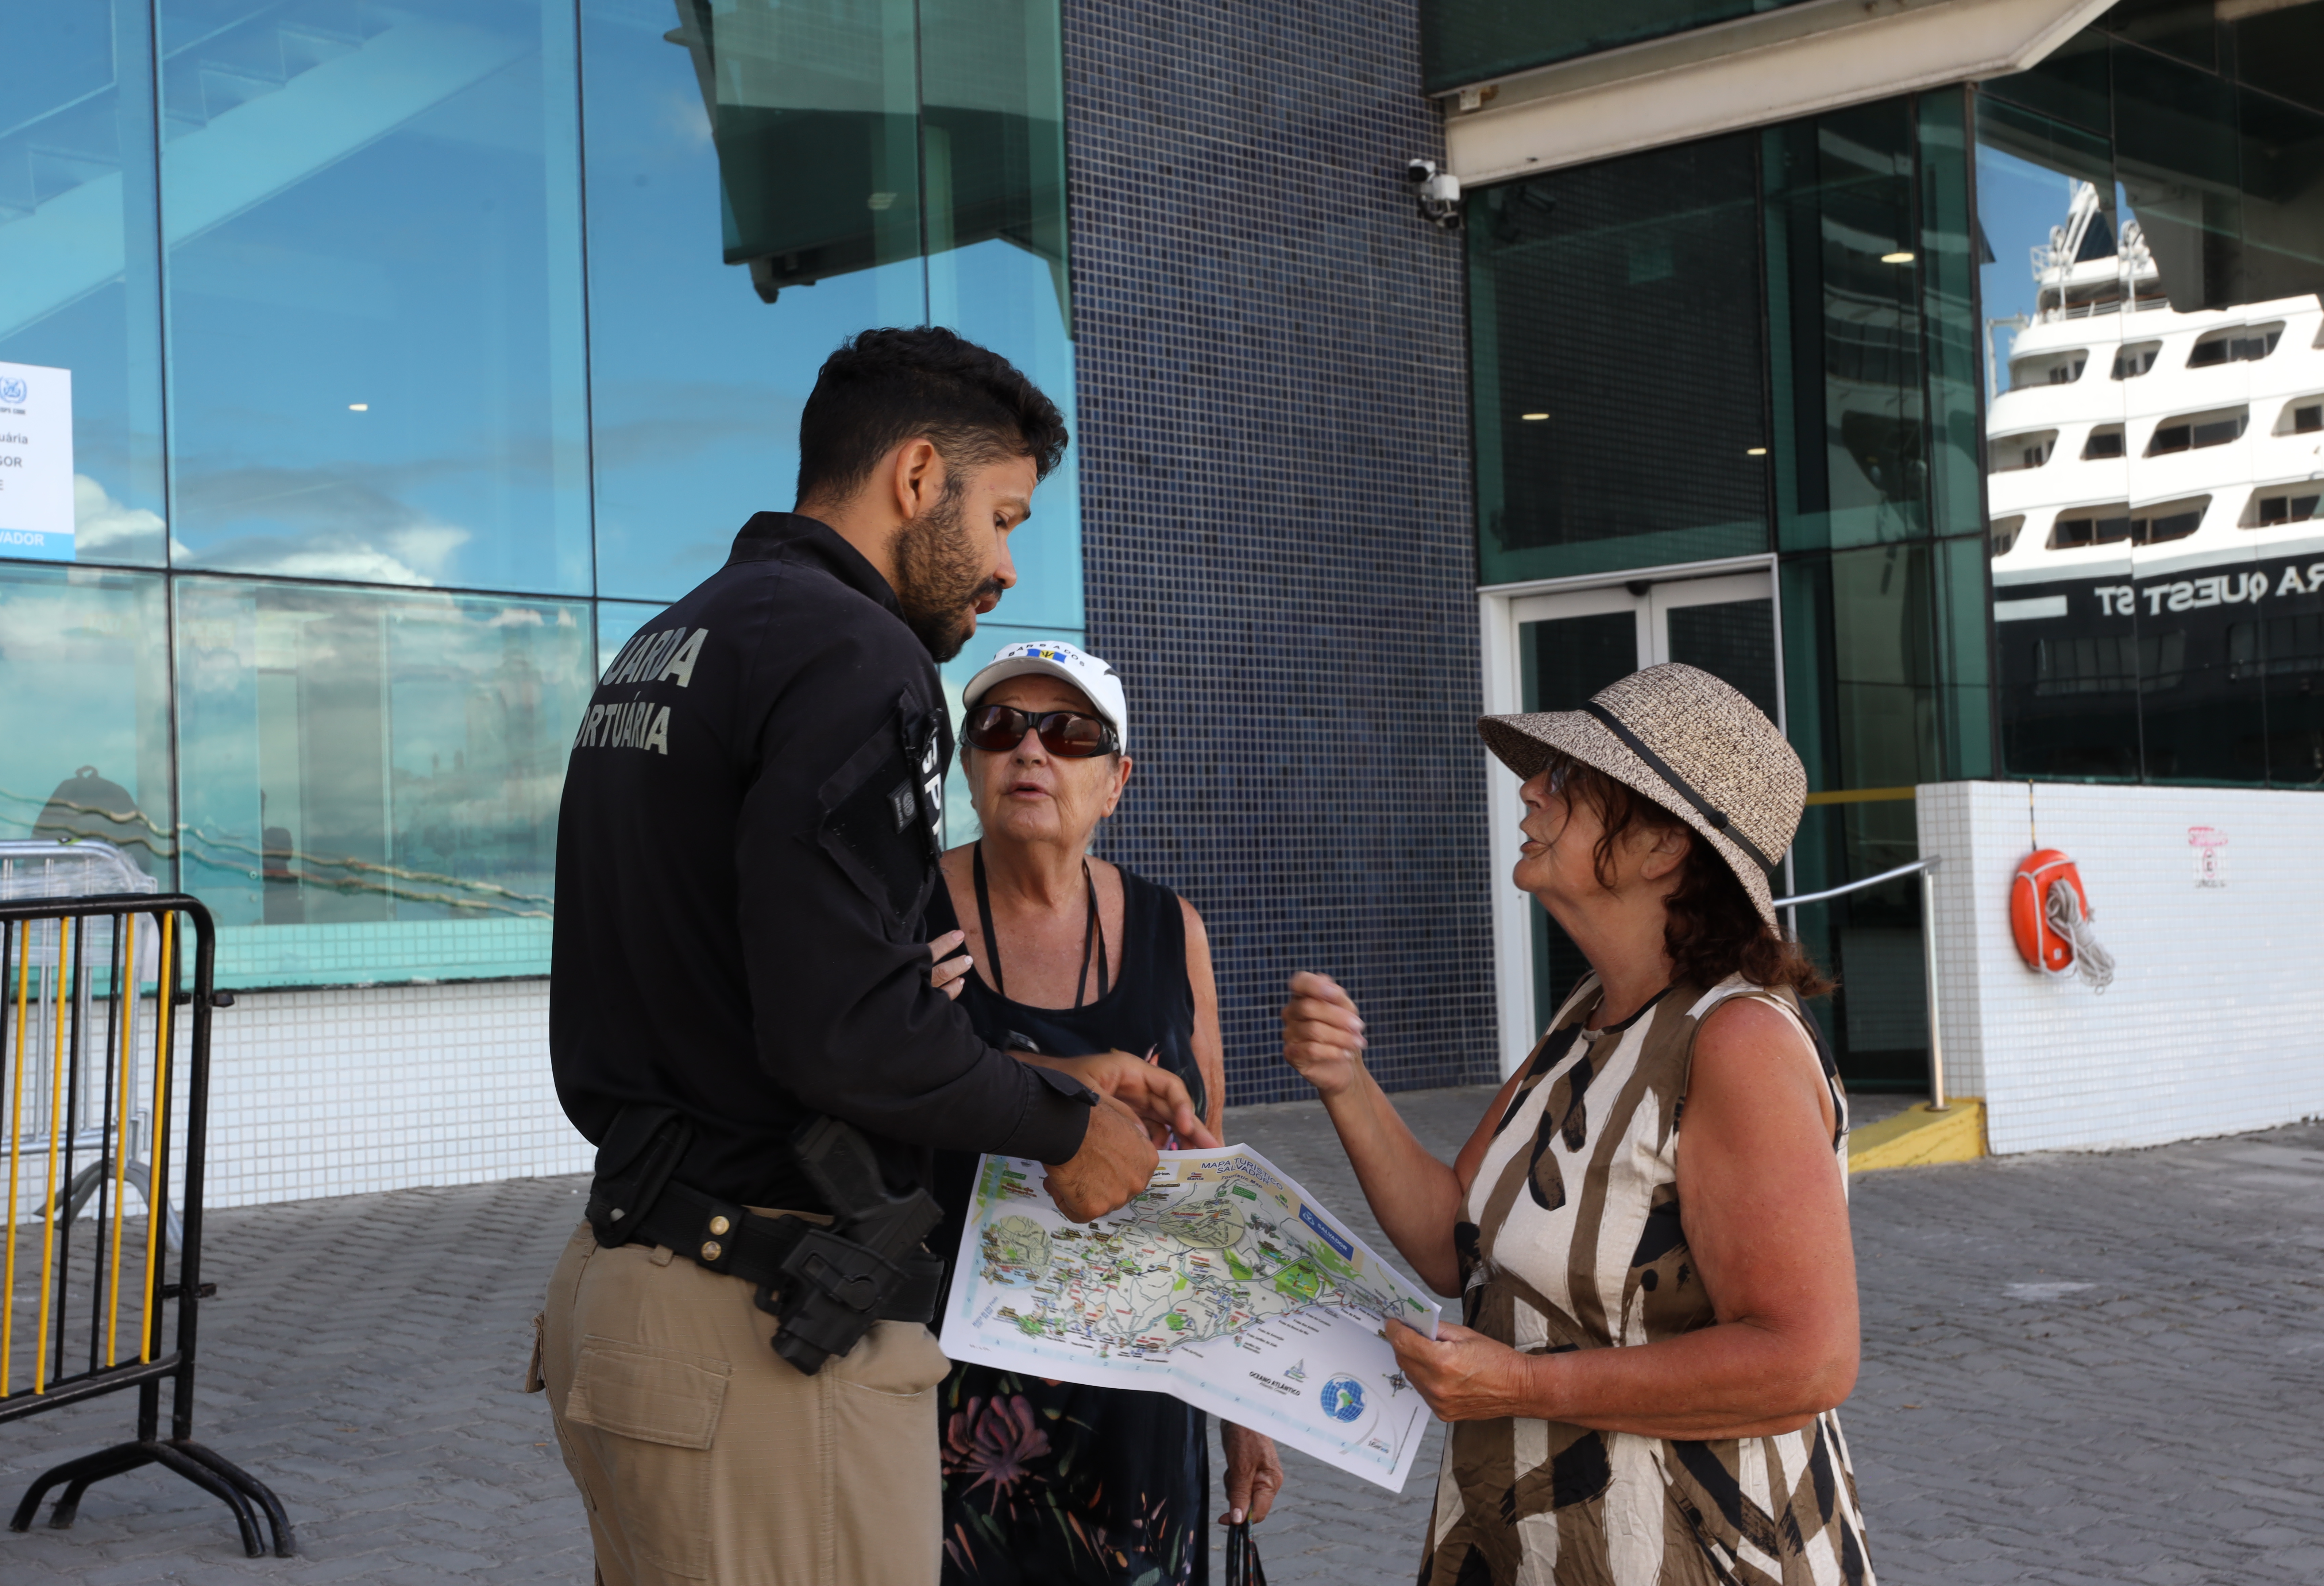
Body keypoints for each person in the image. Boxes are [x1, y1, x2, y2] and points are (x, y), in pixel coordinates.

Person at [538, 328, 1208, 1586]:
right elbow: (844, 1036)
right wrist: (1068, 1124)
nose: (1007, 565)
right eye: (1004, 516)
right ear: (915, 480)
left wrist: (1055, 1063)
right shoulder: (855, 655)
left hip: (631, 1287)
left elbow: (774, 991)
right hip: (755, 1327)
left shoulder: (672, 644)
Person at [1281, 663, 1874, 1585]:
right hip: (1529, 1540)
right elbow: (1454, 1240)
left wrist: (1520, 1384)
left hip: (1682, 1553)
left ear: (1659, 846)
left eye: (1566, 779)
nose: (1529, 788)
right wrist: (1345, 1081)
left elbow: (1807, 1359)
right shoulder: (1592, 1012)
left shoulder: (1737, 1042)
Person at [924, 639, 1284, 1585]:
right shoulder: (900, 914)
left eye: (1069, 733)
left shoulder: (1174, 929)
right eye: (1001, 728)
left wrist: (1246, 1407)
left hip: (1140, 1395)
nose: (1031, 752)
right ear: (969, 766)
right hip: (947, 1386)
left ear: (1118, 780)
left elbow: (1211, 1181)